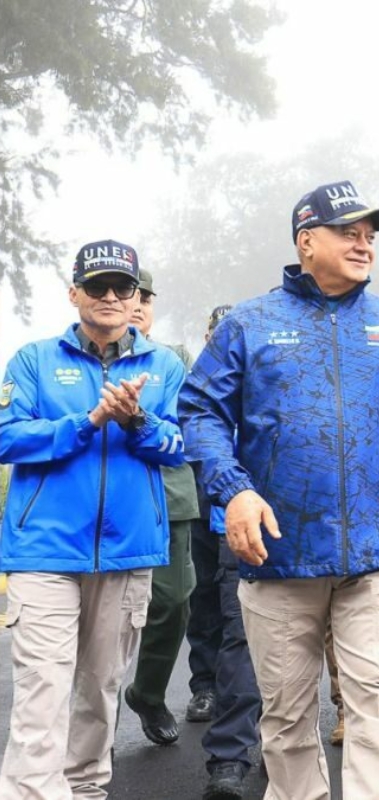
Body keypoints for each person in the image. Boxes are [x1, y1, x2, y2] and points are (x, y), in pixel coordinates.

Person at [179, 180, 379, 799]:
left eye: (370, 235)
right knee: (285, 718)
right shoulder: (249, 324)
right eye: (349, 232)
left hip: (377, 555)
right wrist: (232, 490)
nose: (364, 244)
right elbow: (199, 410)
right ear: (306, 240)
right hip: (278, 555)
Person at [0, 240, 186, 797]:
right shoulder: (33, 359)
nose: (110, 296)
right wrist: (87, 421)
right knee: (43, 691)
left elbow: (177, 446)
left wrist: (136, 422)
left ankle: (84, 791)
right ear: (74, 292)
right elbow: (7, 436)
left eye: (121, 287)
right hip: (44, 551)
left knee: (100, 691)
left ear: (135, 298)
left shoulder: (164, 364)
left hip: (128, 551)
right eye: (97, 285)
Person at [123, 268, 201, 747]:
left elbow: (191, 425)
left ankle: (147, 692)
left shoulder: (174, 359)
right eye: (129, 295)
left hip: (168, 496)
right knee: (99, 616)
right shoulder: (82, 358)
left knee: (173, 602)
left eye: (143, 298)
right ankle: (86, 724)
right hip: (104, 504)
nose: (134, 305)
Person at [184, 304, 233, 728]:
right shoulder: (192, 381)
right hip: (201, 504)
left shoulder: (257, 375)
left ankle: (243, 691)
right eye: (215, 332)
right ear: (207, 335)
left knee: (241, 603)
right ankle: (204, 686)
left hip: (244, 509)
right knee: (202, 597)